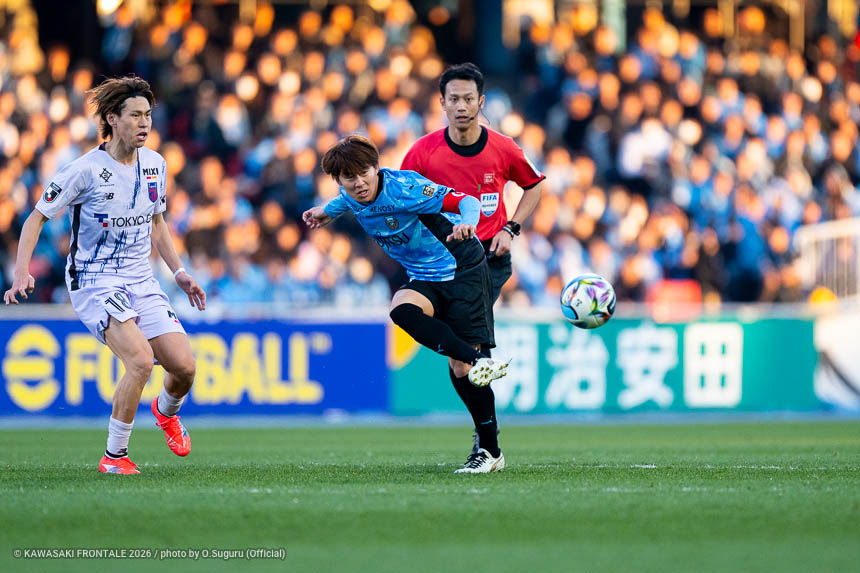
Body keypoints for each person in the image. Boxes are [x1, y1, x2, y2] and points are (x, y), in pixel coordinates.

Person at [3, 76, 206, 475]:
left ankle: (166, 413)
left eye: (148, 115)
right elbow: (35, 219)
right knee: (140, 361)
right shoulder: (84, 171)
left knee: (184, 367)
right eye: (135, 115)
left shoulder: (156, 165)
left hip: (140, 278)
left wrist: (179, 272)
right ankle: (114, 457)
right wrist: (21, 271)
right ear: (112, 118)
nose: (144, 123)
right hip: (94, 280)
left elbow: (157, 224)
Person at [303, 135, 509, 473]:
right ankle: (477, 360)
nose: (359, 183)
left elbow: (467, 201)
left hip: (461, 267)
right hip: (424, 274)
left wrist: (467, 223)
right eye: (349, 178)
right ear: (338, 180)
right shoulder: (351, 195)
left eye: (364, 173)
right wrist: (324, 212)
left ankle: (490, 450)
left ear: (376, 167)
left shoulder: (406, 188)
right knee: (402, 310)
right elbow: (345, 200)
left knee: (461, 370)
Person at [404, 63, 546, 455]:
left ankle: (487, 445)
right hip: (439, 262)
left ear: (481, 102)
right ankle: (486, 434)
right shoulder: (422, 153)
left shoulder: (503, 148)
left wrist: (511, 229)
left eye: (469, 99)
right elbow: (403, 198)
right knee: (457, 355)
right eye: (454, 99)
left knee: (462, 360)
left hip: (486, 259)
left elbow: (534, 186)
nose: (461, 106)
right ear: (442, 103)